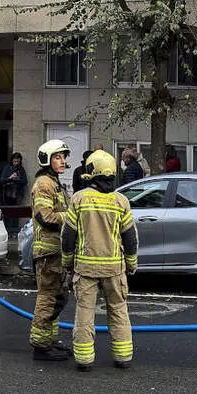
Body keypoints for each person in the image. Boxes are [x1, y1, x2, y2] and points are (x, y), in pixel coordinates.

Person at [62, 149, 137, 371]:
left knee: (85, 313)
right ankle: (123, 357)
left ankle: (84, 360)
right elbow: (130, 237)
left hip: (86, 269)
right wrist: (131, 263)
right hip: (114, 269)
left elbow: (68, 236)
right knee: (118, 310)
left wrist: (68, 261)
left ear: (91, 172)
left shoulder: (79, 199)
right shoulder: (121, 201)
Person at [29, 139, 73, 361]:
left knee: (59, 297)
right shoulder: (44, 184)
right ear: (46, 159)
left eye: (63, 156)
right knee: (48, 299)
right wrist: (72, 217)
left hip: (57, 252)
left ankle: (49, 340)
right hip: (47, 254)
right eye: (57, 157)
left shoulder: (55, 183)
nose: (62, 161)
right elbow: (45, 218)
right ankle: (40, 346)